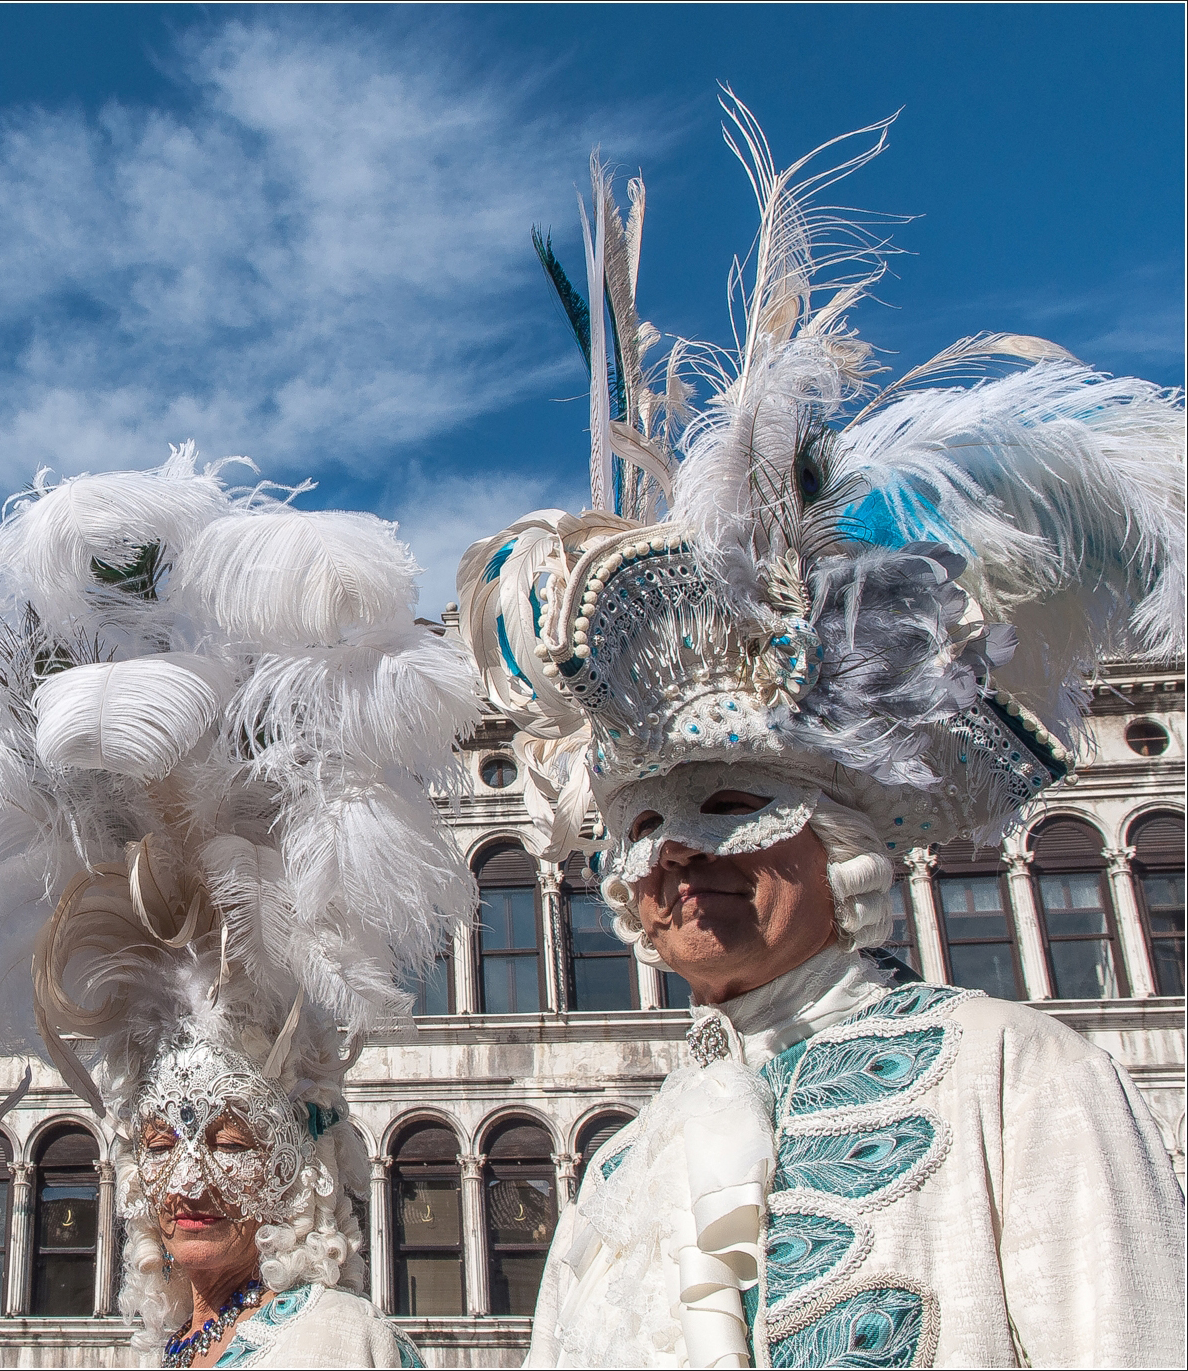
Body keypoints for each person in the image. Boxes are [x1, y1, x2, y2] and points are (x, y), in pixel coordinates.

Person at [458, 99, 1188, 1367]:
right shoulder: (621, 1171)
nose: (673, 861)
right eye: (636, 831)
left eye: (732, 809)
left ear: (840, 841)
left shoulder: (1018, 1080)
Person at [0, 449, 473, 1366]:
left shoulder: (333, 1340)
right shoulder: (178, 1345)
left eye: (227, 1141)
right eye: (161, 1142)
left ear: (294, 1161)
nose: (189, 1178)